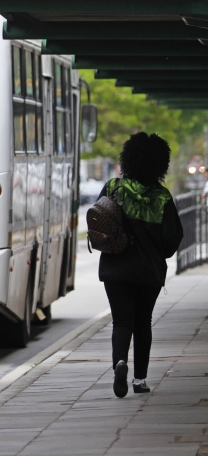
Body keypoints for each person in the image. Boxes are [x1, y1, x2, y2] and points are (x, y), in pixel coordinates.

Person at [98, 132, 183, 398]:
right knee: (143, 321)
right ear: (161, 164)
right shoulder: (161, 198)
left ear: (128, 159)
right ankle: (140, 379)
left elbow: (98, 221)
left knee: (122, 320)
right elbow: (173, 238)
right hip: (148, 271)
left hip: (115, 268)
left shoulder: (114, 187)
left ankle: (120, 362)